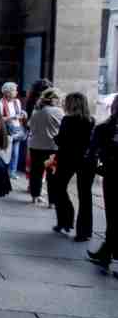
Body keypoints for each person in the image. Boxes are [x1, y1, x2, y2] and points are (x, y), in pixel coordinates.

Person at [53, 92, 95, 240]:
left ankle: (65, 220)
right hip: (87, 161)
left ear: (72, 104)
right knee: (85, 195)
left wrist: (55, 138)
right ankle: (84, 232)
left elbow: (61, 141)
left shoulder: (67, 120)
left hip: (68, 159)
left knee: (59, 187)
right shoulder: (91, 121)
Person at [87, 97, 118, 273]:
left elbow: (93, 152)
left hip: (112, 175)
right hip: (112, 175)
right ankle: (106, 252)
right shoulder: (105, 128)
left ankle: (106, 252)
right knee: (113, 217)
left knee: (113, 216)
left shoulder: (105, 128)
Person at [27, 88, 64, 207]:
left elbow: (30, 127)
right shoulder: (58, 112)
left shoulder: (36, 112)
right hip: (51, 147)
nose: (59, 101)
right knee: (52, 175)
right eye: (58, 98)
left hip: (36, 146)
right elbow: (64, 128)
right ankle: (52, 202)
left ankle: (35, 197)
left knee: (36, 172)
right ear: (53, 99)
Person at [0, 82, 27, 179]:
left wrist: (23, 113)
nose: (16, 92)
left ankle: (12, 172)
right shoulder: (1, 103)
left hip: (17, 129)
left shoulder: (17, 102)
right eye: (14, 90)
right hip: (7, 131)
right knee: (6, 153)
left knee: (15, 153)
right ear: (7, 92)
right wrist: (12, 117)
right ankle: (3, 171)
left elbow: (19, 113)